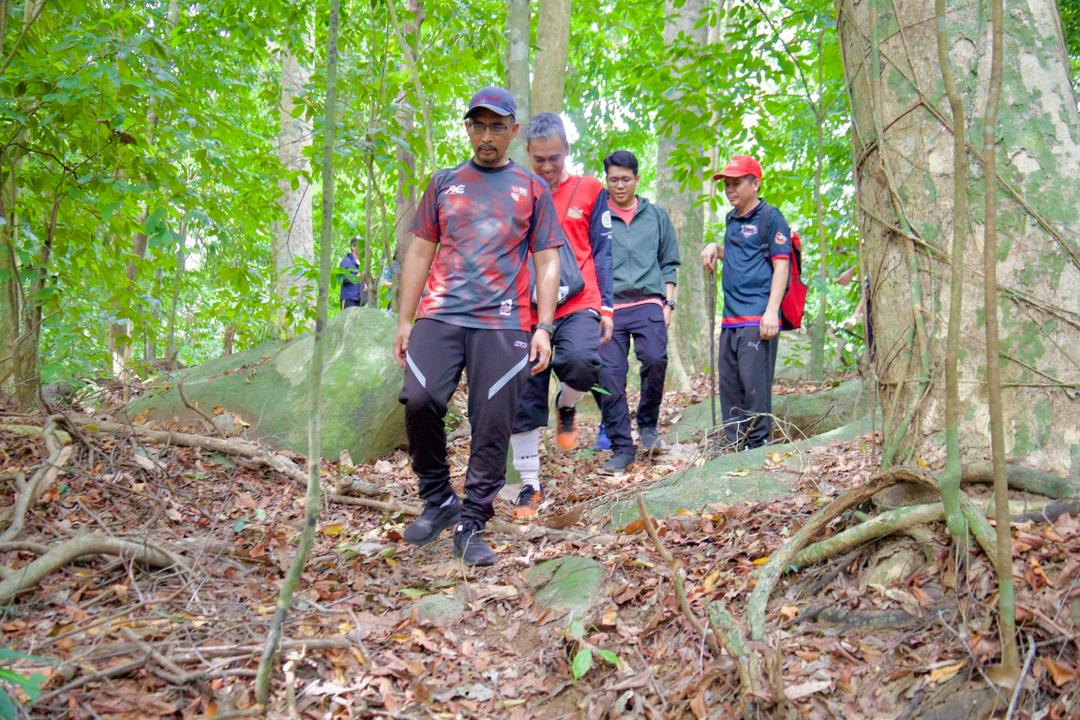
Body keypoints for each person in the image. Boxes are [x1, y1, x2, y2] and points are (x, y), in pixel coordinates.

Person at [394, 86, 563, 566]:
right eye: (477, 125)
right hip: (440, 313)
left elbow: (548, 260)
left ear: (513, 131)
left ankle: (472, 521)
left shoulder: (532, 189)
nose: (486, 136)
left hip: (502, 322)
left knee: (492, 422)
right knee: (420, 401)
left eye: (496, 127)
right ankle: (439, 498)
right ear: (467, 128)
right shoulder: (444, 183)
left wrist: (545, 326)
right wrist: (405, 320)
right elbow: (420, 252)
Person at [508, 112, 614, 519]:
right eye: (540, 159)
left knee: (584, 363)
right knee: (525, 395)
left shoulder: (591, 190)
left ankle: (567, 404)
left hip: (578, 301)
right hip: (527, 306)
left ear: (567, 151)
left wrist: (607, 306)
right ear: (528, 156)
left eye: (555, 157)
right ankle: (530, 487)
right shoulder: (518, 190)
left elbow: (604, 251)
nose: (548, 167)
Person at [592, 150, 680, 473]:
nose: (619, 185)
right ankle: (621, 446)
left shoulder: (656, 216)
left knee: (656, 359)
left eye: (625, 179)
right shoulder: (598, 216)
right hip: (609, 306)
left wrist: (668, 303)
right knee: (609, 375)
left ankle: (647, 425)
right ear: (607, 180)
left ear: (637, 180)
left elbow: (669, 262)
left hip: (648, 302)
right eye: (613, 179)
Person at [701, 155, 791, 450]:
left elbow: (781, 264)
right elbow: (740, 255)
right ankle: (733, 443)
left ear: (755, 183)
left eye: (736, 183)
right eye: (727, 184)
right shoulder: (732, 219)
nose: (730, 189)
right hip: (730, 317)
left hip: (757, 316)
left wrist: (771, 313)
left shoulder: (771, 217)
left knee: (754, 385)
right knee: (729, 384)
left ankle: (758, 445)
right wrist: (716, 247)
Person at [339, 237, 367, 309]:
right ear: (353, 247)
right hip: (349, 299)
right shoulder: (346, 261)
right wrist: (356, 277)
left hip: (361, 300)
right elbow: (343, 279)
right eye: (360, 245)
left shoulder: (363, 264)